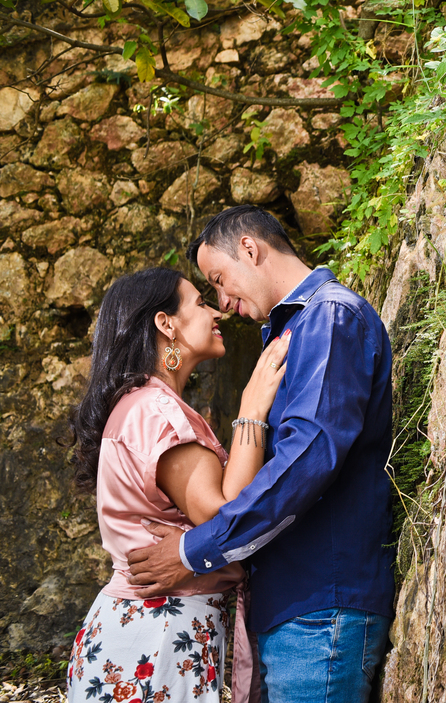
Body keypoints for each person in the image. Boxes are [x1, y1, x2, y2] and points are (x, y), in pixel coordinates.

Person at [126, 205, 396, 703]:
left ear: (250, 249)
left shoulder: (330, 318)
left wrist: (194, 549)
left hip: (322, 609)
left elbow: (307, 459)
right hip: (292, 610)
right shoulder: (291, 333)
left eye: (219, 279)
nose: (223, 302)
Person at [66, 267, 291, 703]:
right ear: (166, 324)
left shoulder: (137, 405)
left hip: (137, 636)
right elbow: (226, 511)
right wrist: (252, 408)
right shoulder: (157, 412)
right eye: (200, 303)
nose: (217, 314)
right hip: (156, 643)